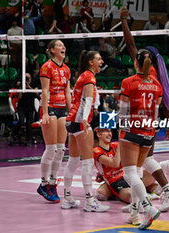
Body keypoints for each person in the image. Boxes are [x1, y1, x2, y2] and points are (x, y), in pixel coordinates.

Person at [120, 7, 169, 218]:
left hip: (138, 124)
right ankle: (136, 207)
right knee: (142, 163)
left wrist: (124, 21)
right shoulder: (156, 76)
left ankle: (166, 191)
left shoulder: (142, 75)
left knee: (142, 163)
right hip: (150, 123)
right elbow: (164, 100)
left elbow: (130, 44)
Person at [93, 128, 169, 207]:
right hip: (117, 183)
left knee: (167, 165)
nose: (110, 134)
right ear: (98, 134)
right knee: (132, 197)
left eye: (110, 131)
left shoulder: (116, 144)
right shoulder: (96, 150)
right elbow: (115, 163)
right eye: (106, 131)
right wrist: (122, 141)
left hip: (130, 176)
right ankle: (151, 196)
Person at [119, 49, 163, 230]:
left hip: (132, 131)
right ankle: (134, 214)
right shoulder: (157, 84)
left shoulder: (128, 82)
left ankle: (148, 208)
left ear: (135, 63)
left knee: (128, 174)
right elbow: (156, 112)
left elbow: (123, 111)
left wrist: (121, 132)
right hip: (149, 132)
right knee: (137, 173)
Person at [63, 50, 110, 212]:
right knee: (88, 161)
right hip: (80, 121)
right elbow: (88, 100)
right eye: (99, 59)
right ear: (91, 62)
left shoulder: (83, 75)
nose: (101, 61)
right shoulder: (89, 77)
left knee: (73, 160)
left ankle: (67, 198)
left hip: (71, 120)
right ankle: (90, 202)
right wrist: (85, 120)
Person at [36, 40, 71, 203]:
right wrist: (44, 112)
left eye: (63, 45)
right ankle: (43, 183)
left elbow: (67, 92)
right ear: (51, 50)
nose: (63, 47)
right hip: (49, 106)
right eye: (59, 45)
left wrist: (71, 111)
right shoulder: (47, 67)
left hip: (62, 107)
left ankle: (52, 182)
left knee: (61, 149)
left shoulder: (66, 69)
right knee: (51, 149)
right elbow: (44, 90)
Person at [12, 73, 37, 147]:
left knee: (29, 124)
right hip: (21, 107)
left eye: (28, 78)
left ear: (30, 79)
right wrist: (20, 88)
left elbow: (36, 93)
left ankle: (28, 140)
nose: (27, 79)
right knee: (21, 120)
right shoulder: (21, 86)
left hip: (30, 107)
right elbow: (19, 97)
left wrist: (28, 87)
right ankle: (14, 133)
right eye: (25, 78)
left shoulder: (34, 84)